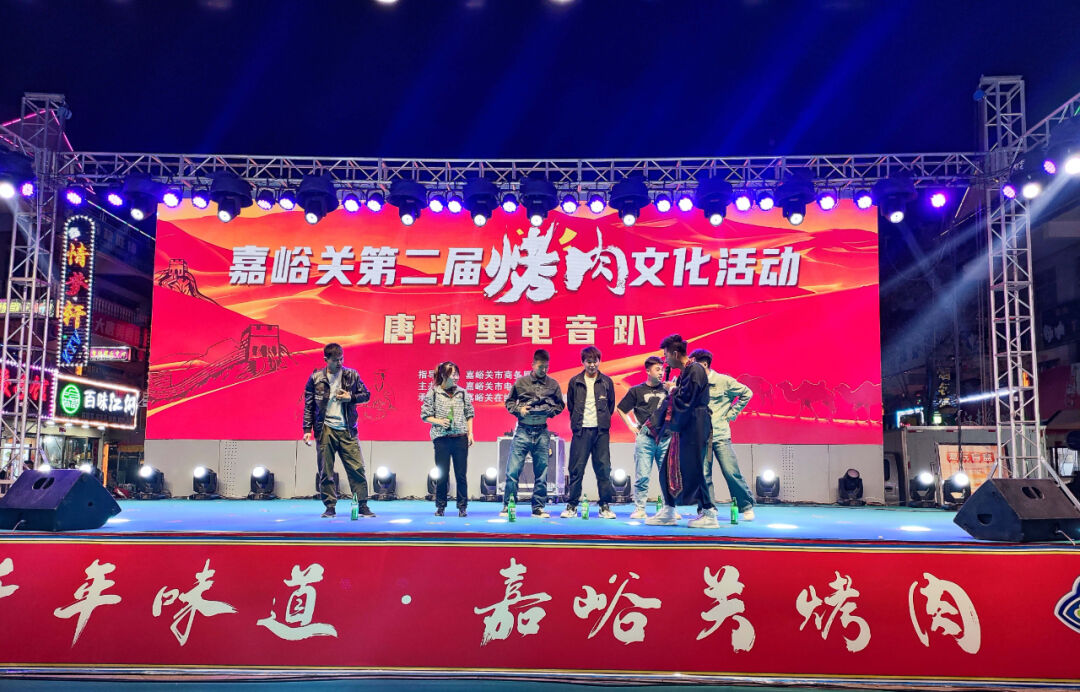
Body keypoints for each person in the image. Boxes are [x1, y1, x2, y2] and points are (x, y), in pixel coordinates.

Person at [644, 334, 716, 528]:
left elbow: (686, 400)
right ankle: (669, 509)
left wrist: (673, 390)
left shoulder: (695, 369)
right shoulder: (687, 371)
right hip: (686, 424)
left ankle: (709, 512)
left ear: (675, 354)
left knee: (694, 468)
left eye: (666, 355)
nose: (665, 360)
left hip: (695, 424)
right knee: (667, 467)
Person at [302, 343, 375, 518]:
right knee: (326, 470)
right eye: (336, 360)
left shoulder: (352, 375)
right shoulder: (316, 378)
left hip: (347, 429)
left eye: (341, 359)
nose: (340, 363)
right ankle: (330, 506)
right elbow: (309, 406)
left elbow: (366, 395)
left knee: (357, 468)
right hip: (325, 429)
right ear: (326, 360)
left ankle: (362, 504)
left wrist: (351, 397)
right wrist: (307, 429)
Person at [688, 349, 756, 522]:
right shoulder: (692, 383)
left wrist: (732, 413)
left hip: (720, 434)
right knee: (703, 475)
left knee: (731, 472)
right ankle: (708, 508)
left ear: (704, 364)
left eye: (693, 363)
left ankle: (745, 506)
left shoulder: (723, 381)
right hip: (700, 436)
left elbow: (747, 393)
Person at [503, 349, 565, 518]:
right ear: (533, 365)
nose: (543, 370)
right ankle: (509, 505)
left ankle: (538, 507)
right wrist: (519, 409)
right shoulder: (521, 382)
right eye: (540, 367)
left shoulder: (553, 384)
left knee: (541, 472)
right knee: (512, 471)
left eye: (546, 367)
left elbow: (560, 405)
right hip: (523, 430)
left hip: (542, 431)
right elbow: (509, 402)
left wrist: (550, 411)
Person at [616, 356, 676, 520]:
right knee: (642, 475)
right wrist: (631, 425)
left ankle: (670, 508)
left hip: (666, 437)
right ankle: (640, 508)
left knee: (667, 476)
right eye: (657, 369)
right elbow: (621, 408)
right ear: (648, 371)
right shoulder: (636, 390)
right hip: (646, 438)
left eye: (662, 369)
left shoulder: (668, 389)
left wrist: (673, 389)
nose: (661, 372)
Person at [562, 346, 617, 519]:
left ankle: (605, 506)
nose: (592, 365)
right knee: (576, 469)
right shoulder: (575, 381)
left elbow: (610, 405)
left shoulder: (607, 382)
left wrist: (602, 421)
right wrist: (579, 422)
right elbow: (571, 406)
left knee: (603, 469)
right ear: (583, 362)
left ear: (600, 361)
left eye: (595, 361)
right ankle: (572, 505)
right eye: (589, 361)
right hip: (581, 431)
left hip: (601, 432)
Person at [421, 361, 476, 517]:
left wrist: (470, 433)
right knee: (442, 474)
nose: (456, 377)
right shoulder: (433, 393)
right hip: (442, 439)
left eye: (457, 374)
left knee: (461, 474)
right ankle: (440, 506)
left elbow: (469, 414)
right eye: (453, 374)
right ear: (444, 375)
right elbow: (425, 415)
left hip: (460, 438)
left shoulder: (462, 393)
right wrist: (439, 421)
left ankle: (462, 507)